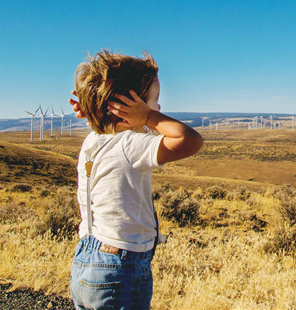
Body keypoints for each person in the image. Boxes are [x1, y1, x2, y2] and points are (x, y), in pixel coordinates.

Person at [67, 50, 203, 310]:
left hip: (84, 260)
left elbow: (107, 128)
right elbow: (191, 140)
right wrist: (149, 119)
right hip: (120, 267)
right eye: (154, 102)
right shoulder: (132, 144)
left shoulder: (93, 140)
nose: (159, 108)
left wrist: (96, 108)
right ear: (130, 108)